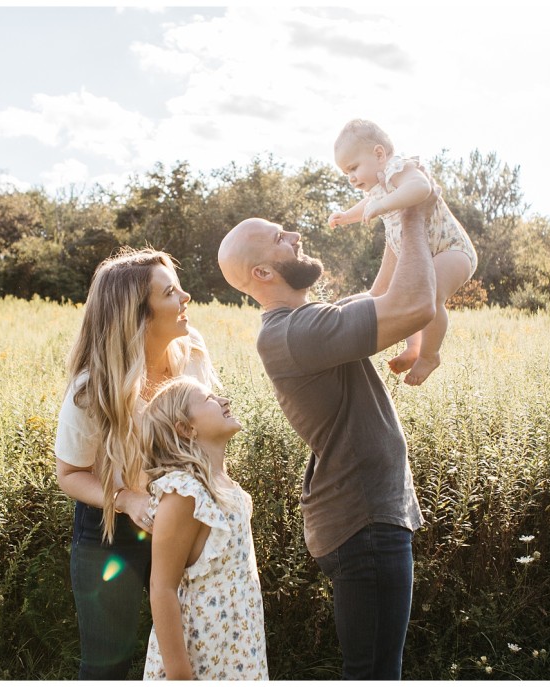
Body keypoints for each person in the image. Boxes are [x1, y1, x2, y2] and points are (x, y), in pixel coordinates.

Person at [217, 199, 436, 680]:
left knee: (376, 669)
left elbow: (381, 293)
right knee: (375, 674)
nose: (294, 236)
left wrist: (396, 211)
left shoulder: (311, 319)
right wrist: (417, 210)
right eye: (279, 238)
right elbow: (415, 304)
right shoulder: (294, 333)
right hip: (363, 521)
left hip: (365, 518)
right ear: (262, 272)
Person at [54, 247, 218, 680]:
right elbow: (69, 474)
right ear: (137, 315)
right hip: (112, 533)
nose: (186, 298)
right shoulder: (92, 388)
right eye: (170, 293)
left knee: (195, 653)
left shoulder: (193, 354)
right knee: (107, 664)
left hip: (187, 523)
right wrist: (127, 498)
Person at [328, 118, 477, 386]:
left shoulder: (399, 169)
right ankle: (414, 346)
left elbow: (422, 188)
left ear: (379, 154)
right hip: (420, 251)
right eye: (345, 173)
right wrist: (345, 217)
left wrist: (384, 205)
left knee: (429, 296)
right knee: (407, 295)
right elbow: (367, 205)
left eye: (353, 168)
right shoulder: (377, 189)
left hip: (451, 249)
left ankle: (430, 355)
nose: (351, 178)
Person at [139, 376, 268, 680]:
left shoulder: (226, 486)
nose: (225, 401)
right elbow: (162, 588)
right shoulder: (185, 494)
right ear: (185, 428)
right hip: (202, 655)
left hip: (237, 646)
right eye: (210, 398)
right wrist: (181, 676)